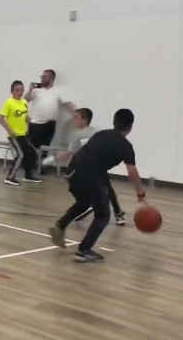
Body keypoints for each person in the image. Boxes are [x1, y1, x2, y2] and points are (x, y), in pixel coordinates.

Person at [48, 109, 146, 263]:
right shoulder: (126, 146)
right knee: (103, 215)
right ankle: (84, 250)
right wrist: (140, 193)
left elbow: (87, 153)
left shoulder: (101, 134)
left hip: (72, 171)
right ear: (130, 127)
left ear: (114, 122)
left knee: (85, 202)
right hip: (90, 174)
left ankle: (60, 225)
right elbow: (132, 171)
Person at [53, 108, 126, 226]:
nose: (74, 120)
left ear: (85, 120)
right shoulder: (97, 132)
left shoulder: (78, 135)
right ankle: (117, 213)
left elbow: (71, 152)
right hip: (97, 165)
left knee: (78, 188)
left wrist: (61, 156)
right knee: (107, 188)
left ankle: (88, 207)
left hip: (85, 167)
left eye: (76, 118)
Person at [24, 69, 78, 173]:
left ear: (52, 79)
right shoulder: (36, 90)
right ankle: (29, 166)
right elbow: (26, 100)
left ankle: (40, 167)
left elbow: (67, 104)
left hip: (49, 124)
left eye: (45, 77)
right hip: (35, 122)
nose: (42, 78)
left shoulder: (57, 91)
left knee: (44, 147)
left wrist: (77, 114)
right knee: (31, 146)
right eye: (42, 76)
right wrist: (30, 90)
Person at [0, 80, 41, 186]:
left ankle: (28, 175)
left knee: (30, 153)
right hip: (14, 135)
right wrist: (9, 130)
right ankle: (10, 177)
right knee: (21, 155)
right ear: (12, 91)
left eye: (22, 90)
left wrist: (27, 119)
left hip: (23, 134)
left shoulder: (24, 102)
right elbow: (0, 118)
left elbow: (23, 115)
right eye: (17, 90)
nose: (20, 92)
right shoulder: (9, 103)